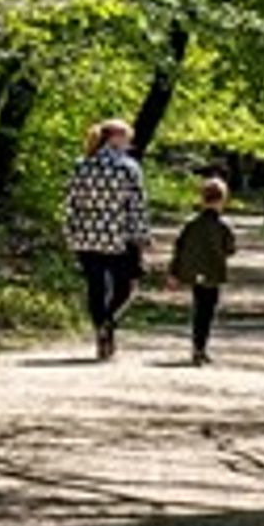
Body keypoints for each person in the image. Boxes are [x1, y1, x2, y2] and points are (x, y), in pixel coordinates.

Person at [62, 117, 149, 360]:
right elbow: (137, 206)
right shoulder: (128, 168)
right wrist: (141, 236)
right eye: (126, 137)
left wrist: (70, 232)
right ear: (114, 138)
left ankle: (101, 327)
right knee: (126, 286)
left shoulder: (81, 165)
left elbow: (70, 202)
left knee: (95, 287)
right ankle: (108, 322)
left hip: (86, 236)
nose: (129, 142)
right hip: (119, 236)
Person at [167, 176, 236, 365]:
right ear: (222, 200)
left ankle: (197, 347)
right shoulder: (223, 226)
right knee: (208, 310)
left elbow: (179, 247)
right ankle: (201, 348)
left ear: (202, 198)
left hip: (194, 273)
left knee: (198, 309)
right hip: (214, 273)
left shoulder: (191, 224)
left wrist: (174, 272)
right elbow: (230, 249)